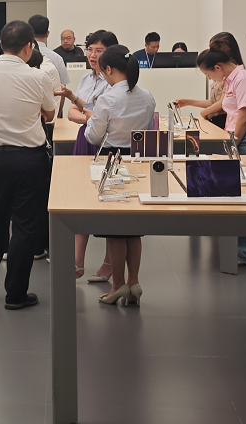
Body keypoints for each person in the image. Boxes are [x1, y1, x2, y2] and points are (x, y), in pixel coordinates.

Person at [0, 20, 56, 310]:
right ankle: (16, 294)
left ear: (1, 44)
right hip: (30, 160)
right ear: (29, 47)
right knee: (25, 226)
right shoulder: (38, 76)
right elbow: (50, 114)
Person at [84, 45, 155, 306]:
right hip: (139, 160)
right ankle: (134, 282)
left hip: (112, 161)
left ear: (109, 69)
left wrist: (91, 120)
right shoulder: (147, 96)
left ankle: (117, 285)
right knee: (134, 228)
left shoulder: (108, 98)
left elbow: (93, 137)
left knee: (114, 229)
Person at [197, 41, 246, 267]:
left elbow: (244, 117)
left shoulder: (243, 79)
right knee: (238, 194)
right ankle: (241, 250)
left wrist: (234, 143)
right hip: (238, 138)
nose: (211, 79)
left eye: (209, 74)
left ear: (218, 67)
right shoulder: (232, 79)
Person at [55, 30, 117, 281]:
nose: (92, 55)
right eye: (90, 49)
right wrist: (92, 115)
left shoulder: (115, 81)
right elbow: (71, 113)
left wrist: (89, 114)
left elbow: (108, 119)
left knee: (109, 202)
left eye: (99, 50)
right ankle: (77, 261)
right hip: (86, 138)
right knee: (81, 196)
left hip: (108, 141)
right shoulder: (85, 78)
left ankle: (109, 263)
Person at [175, 32, 245, 131]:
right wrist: (188, 102)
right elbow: (213, 101)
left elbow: (222, 103)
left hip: (223, 121)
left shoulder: (235, 76)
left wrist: (204, 112)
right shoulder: (222, 74)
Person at [28, 15, 69, 84]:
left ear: (29, 33)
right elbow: (63, 85)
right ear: (47, 34)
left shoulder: (21, 55)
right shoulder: (57, 58)